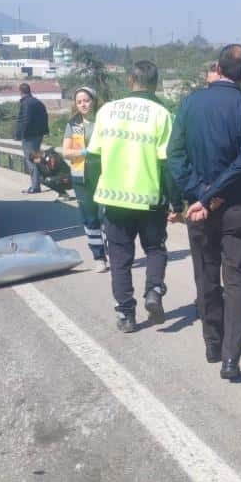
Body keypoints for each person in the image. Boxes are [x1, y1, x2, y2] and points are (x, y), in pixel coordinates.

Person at [168, 45, 241, 381]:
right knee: (237, 282)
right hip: (236, 207)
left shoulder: (189, 104)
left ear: (218, 69)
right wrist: (214, 195)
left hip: (198, 209)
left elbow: (174, 155)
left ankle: (212, 341)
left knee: (205, 273)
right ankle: (231, 358)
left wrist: (200, 194)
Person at [93, 61, 181, 333]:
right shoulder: (162, 114)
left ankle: (126, 314)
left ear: (130, 80)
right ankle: (153, 290)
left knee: (120, 258)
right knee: (155, 248)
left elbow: (93, 158)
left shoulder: (107, 111)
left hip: (113, 198)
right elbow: (168, 163)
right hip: (150, 198)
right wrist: (176, 202)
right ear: (155, 83)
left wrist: (98, 192)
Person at [60, 86, 106, 271]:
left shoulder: (103, 120)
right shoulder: (73, 124)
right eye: (79, 102)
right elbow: (65, 152)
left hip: (104, 173)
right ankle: (99, 257)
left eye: (86, 100)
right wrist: (83, 152)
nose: (83, 104)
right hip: (82, 176)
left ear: (93, 101)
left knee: (106, 215)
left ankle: (113, 252)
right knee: (90, 217)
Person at [15, 82, 50, 194]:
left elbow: (25, 120)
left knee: (31, 160)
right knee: (36, 159)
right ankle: (38, 183)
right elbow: (45, 116)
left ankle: (35, 186)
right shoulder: (38, 102)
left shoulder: (26, 103)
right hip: (39, 135)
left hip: (29, 136)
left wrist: (19, 134)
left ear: (20, 92)